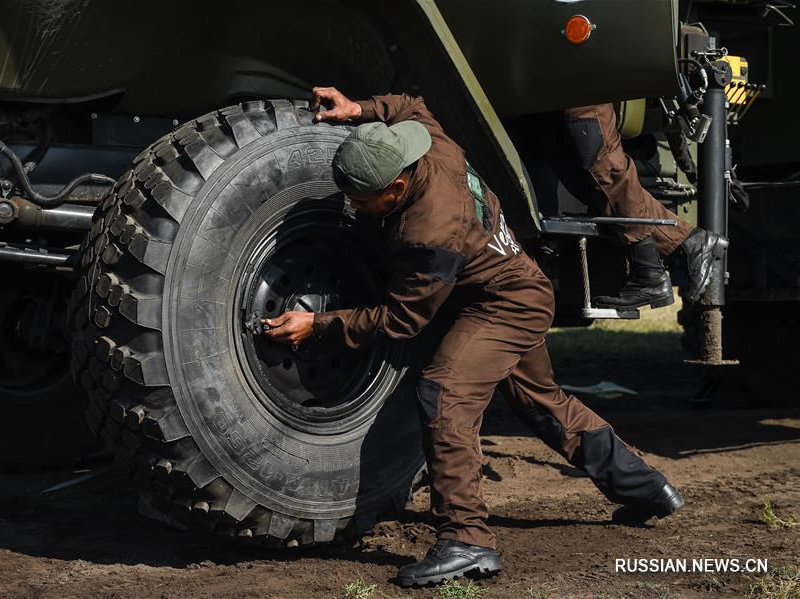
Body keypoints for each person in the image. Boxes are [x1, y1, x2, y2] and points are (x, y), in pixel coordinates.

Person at [263, 88, 684, 588]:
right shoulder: (428, 142)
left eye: (362, 199)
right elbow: (411, 104)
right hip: (514, 284)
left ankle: (466, 540)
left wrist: (321, 325)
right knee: (542, 404)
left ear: (396, 189)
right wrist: (359, 110)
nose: (355, 208)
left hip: (503, 305)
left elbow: (402, 320)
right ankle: (646, 488)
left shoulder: (430, 230)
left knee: (444, 393)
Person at [531, 103, 728, 310]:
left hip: (582, 81)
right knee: (585, 175)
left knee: (604, 165)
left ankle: (650, 270)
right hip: (554, 90)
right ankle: (690, 242)